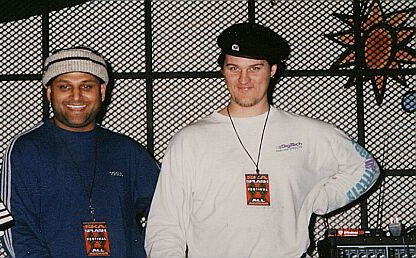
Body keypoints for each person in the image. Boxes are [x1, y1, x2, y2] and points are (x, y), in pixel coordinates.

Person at [145, 23, 380, 257]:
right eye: (234, 68)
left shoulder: (307, 133)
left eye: (255, 68)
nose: (244, 79)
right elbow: (165, 227)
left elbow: (367, 167)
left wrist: (320, 199)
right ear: (223, 70)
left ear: (273, 69)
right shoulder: (190, 141)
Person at [0, 47, 160, 257]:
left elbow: (168, 211)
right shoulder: (26, 149)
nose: (76, 96)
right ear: (49, 93)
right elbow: (14, 227)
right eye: (64, 86)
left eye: (86, 86)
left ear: (102, 92)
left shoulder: (127, 151)